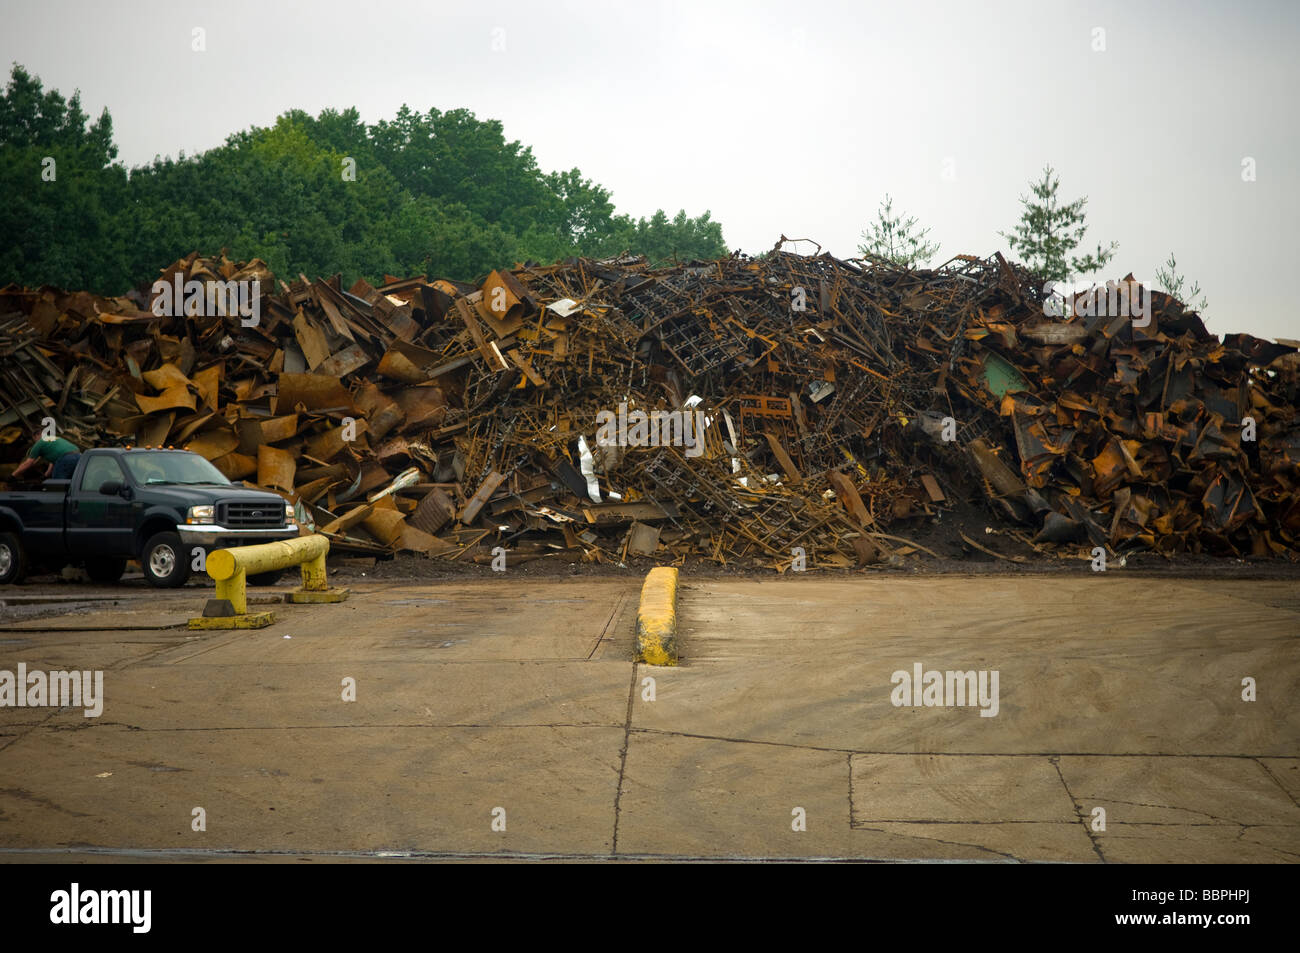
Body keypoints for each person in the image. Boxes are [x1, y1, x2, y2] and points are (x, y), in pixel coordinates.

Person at [12, 431, 81, 481]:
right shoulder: (54, 438)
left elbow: (28, 463)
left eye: (34, 439)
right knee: (75, 480)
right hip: (79, 456)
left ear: (36, 436)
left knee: (58, 484)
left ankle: (57, 500)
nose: (34, 441)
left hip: (65, 458)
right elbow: (54, 460)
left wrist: (13, 475)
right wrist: (46, 475)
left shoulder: (39, 443)